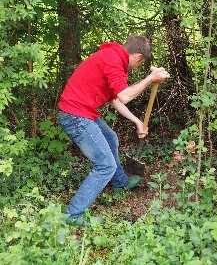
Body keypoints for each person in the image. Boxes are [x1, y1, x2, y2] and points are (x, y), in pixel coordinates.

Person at [58, 34, 170, 226]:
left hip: (82, 113)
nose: (138, 66)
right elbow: (125, 96)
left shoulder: (115, 60)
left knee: (111, 138)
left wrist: (138, 122)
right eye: (140, 63)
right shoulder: (112, 59)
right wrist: (150, 78)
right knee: (105, 165)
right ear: (137, 57)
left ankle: (120, 183)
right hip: (75, 116)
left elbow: (116, 99)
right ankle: (72, 215)